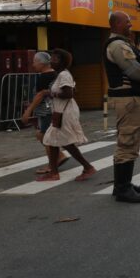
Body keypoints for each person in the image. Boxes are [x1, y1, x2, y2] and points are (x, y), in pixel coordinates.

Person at [104, 11, 140, 203]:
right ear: (117, 24)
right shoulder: (118, 45)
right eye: (127, 21)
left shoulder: (124, 44)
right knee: (127, 140)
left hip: (132, 99)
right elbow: (133, 70)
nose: (130, 24)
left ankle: (122, 184)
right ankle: (122, 188)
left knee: (130, 139)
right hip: (128, 100)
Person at [37, 49, 96, 182]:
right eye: (51, 58)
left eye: (55, 59)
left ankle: (87, 167)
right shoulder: (61, 74)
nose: (51, 60)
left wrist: (51, 94)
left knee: (64, 142)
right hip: (60, 111)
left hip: (65, 112)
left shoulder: (64, 75)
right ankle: (54, 172)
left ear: (62, 62)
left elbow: (69, 93)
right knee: (52, 140)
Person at [21, 51, 69, 174]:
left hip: (46, 110)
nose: (33, 65)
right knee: (42, 135)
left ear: (42, 63)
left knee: (46, 137)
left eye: (34, 62)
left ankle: (53, 163)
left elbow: (39, 96)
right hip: (52, 109)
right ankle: (58, 156)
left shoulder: (44, 77)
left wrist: (28, 111)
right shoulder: (54, 74)